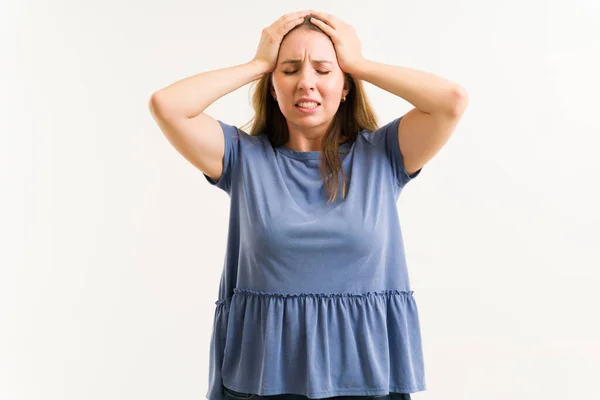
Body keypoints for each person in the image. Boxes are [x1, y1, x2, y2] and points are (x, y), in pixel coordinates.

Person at [149, 9, 468, 400]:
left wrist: (359, 62)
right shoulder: (242, 157)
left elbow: (451, 101)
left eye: (323, 70)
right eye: (290, 70)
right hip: (263, 382)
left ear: (346, 85)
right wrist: (257, 63)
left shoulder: (383, 155)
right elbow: (167, 105)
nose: (306, 83)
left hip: (368, 381)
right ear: (272, 85)